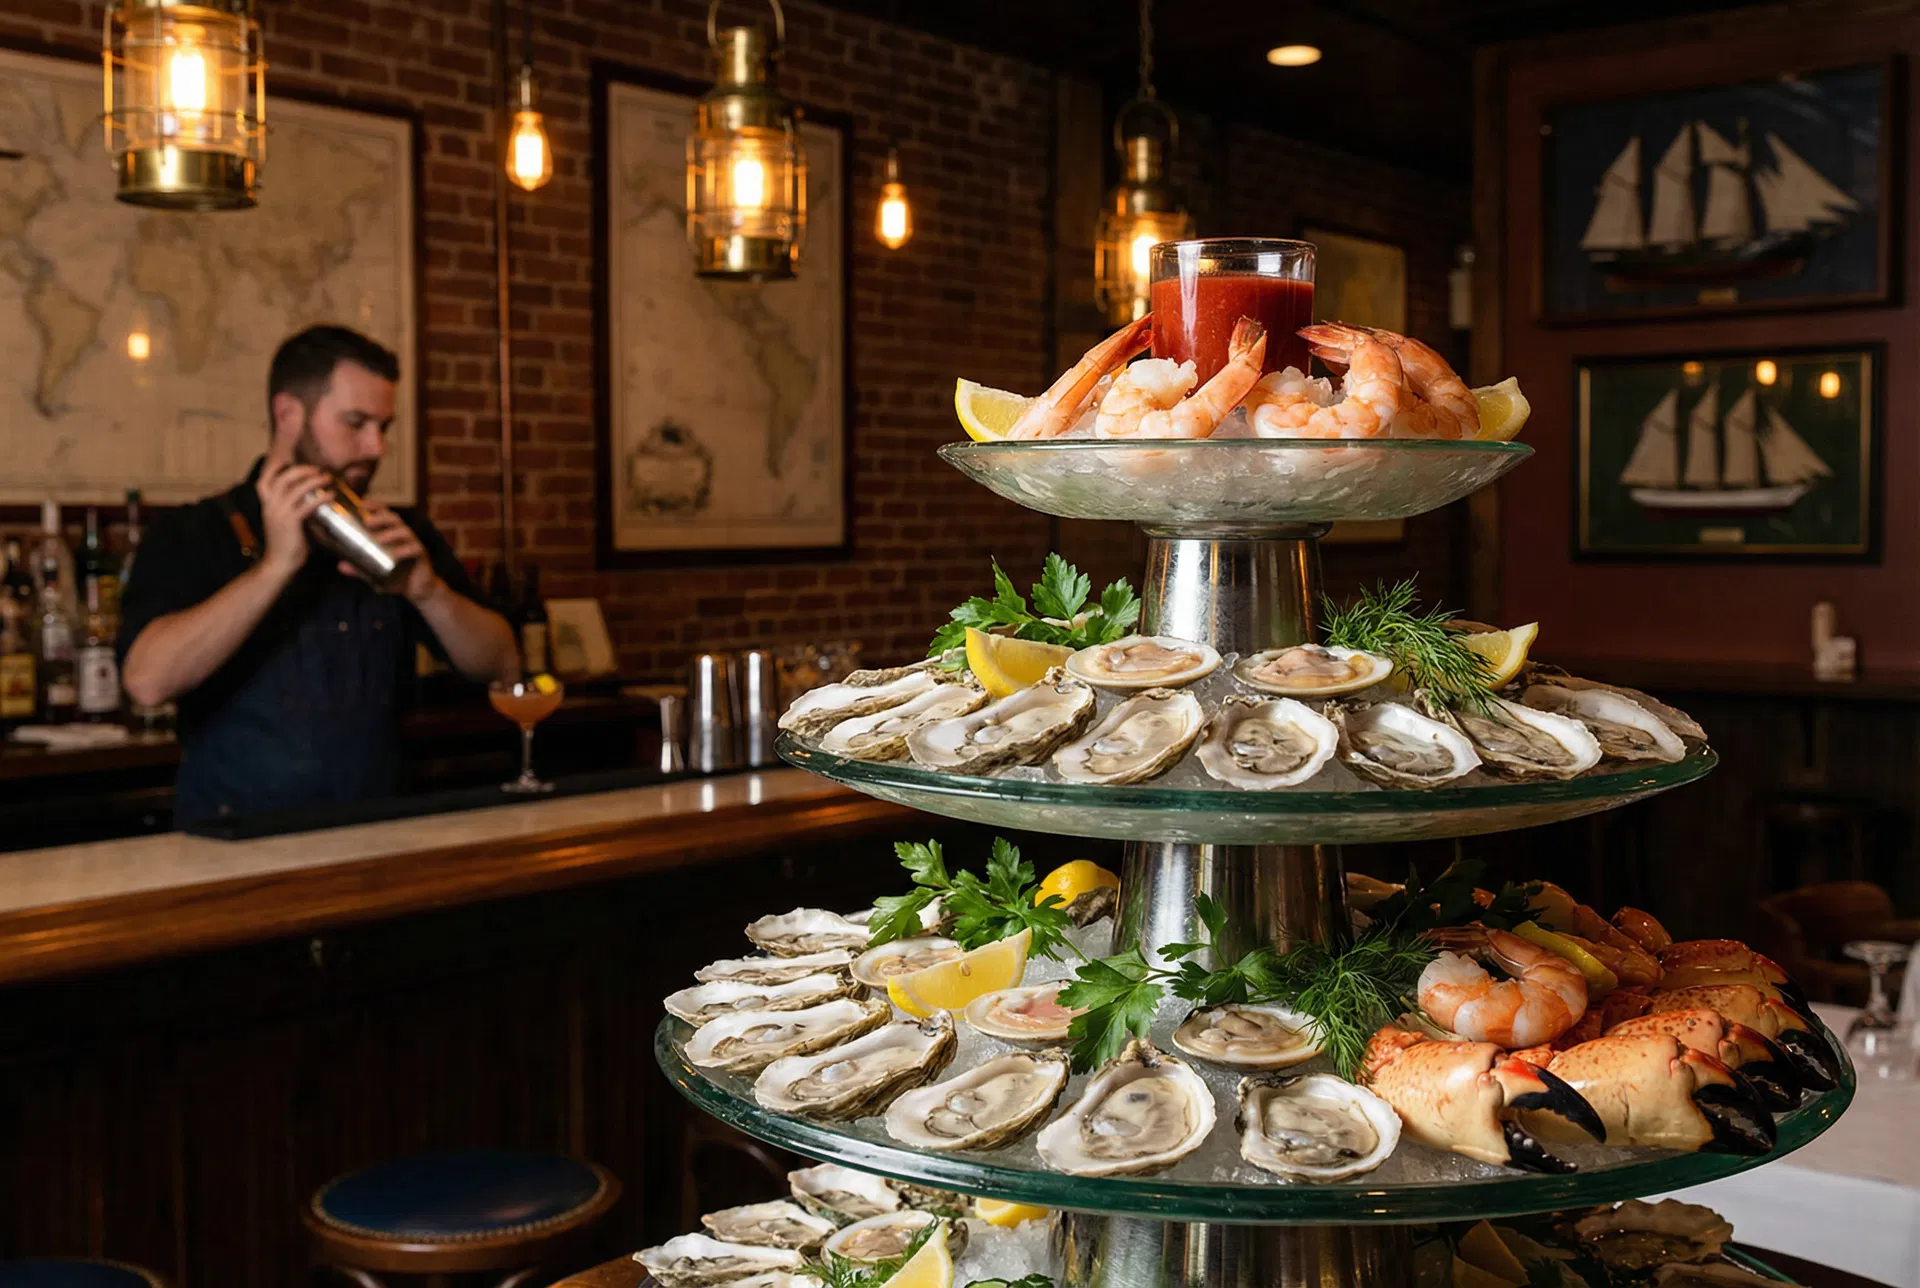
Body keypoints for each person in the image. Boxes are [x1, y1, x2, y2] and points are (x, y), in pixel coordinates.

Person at [119, 325, 520, 827]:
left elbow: (503, 662)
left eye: (384, 427)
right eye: (356, 423)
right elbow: (147, 682)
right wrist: (275, 568)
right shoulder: (196, 531)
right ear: (288, 414)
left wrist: (428, 592)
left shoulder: (399, 533)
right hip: (232, 848)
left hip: (378, 837)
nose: (376, 448)